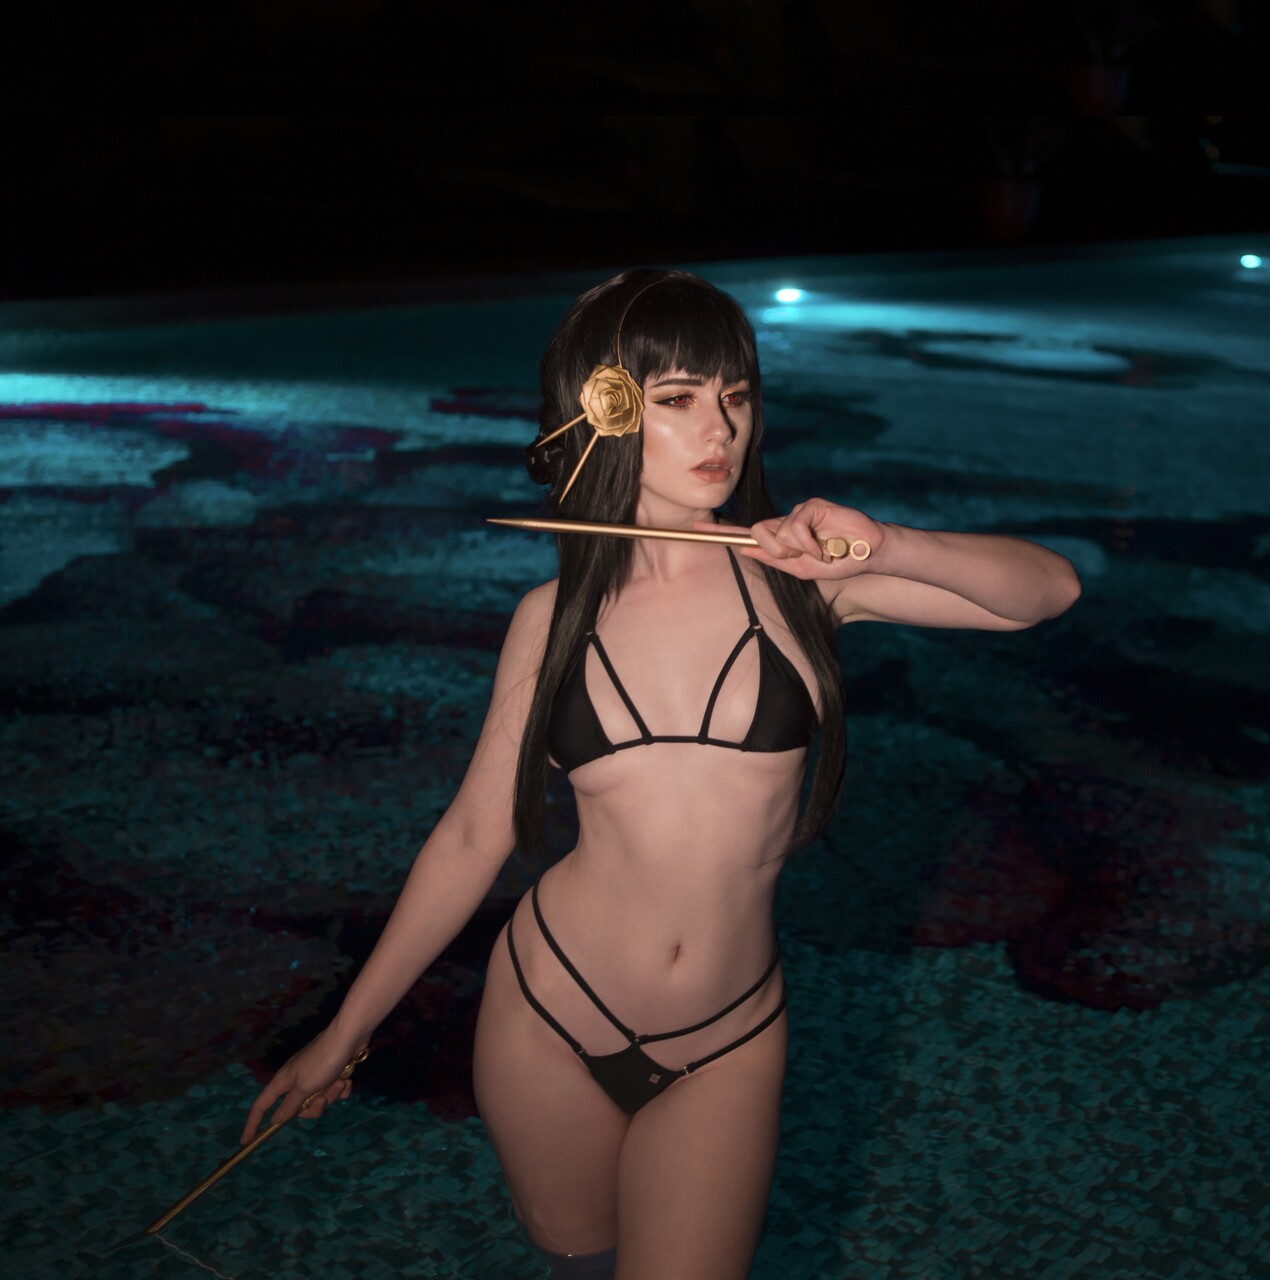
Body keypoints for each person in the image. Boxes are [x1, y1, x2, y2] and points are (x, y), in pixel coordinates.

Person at [242, 267, 1082, 1279]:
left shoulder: (806, 584)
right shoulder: (549, 620)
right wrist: (345, 1032)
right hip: (548, 1010)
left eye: (736, 396)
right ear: (604, 411)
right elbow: (473, 835)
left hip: (726, 1034)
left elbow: (1047, 591)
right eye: (679, 398)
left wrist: (890, 545)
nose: (719, 428)